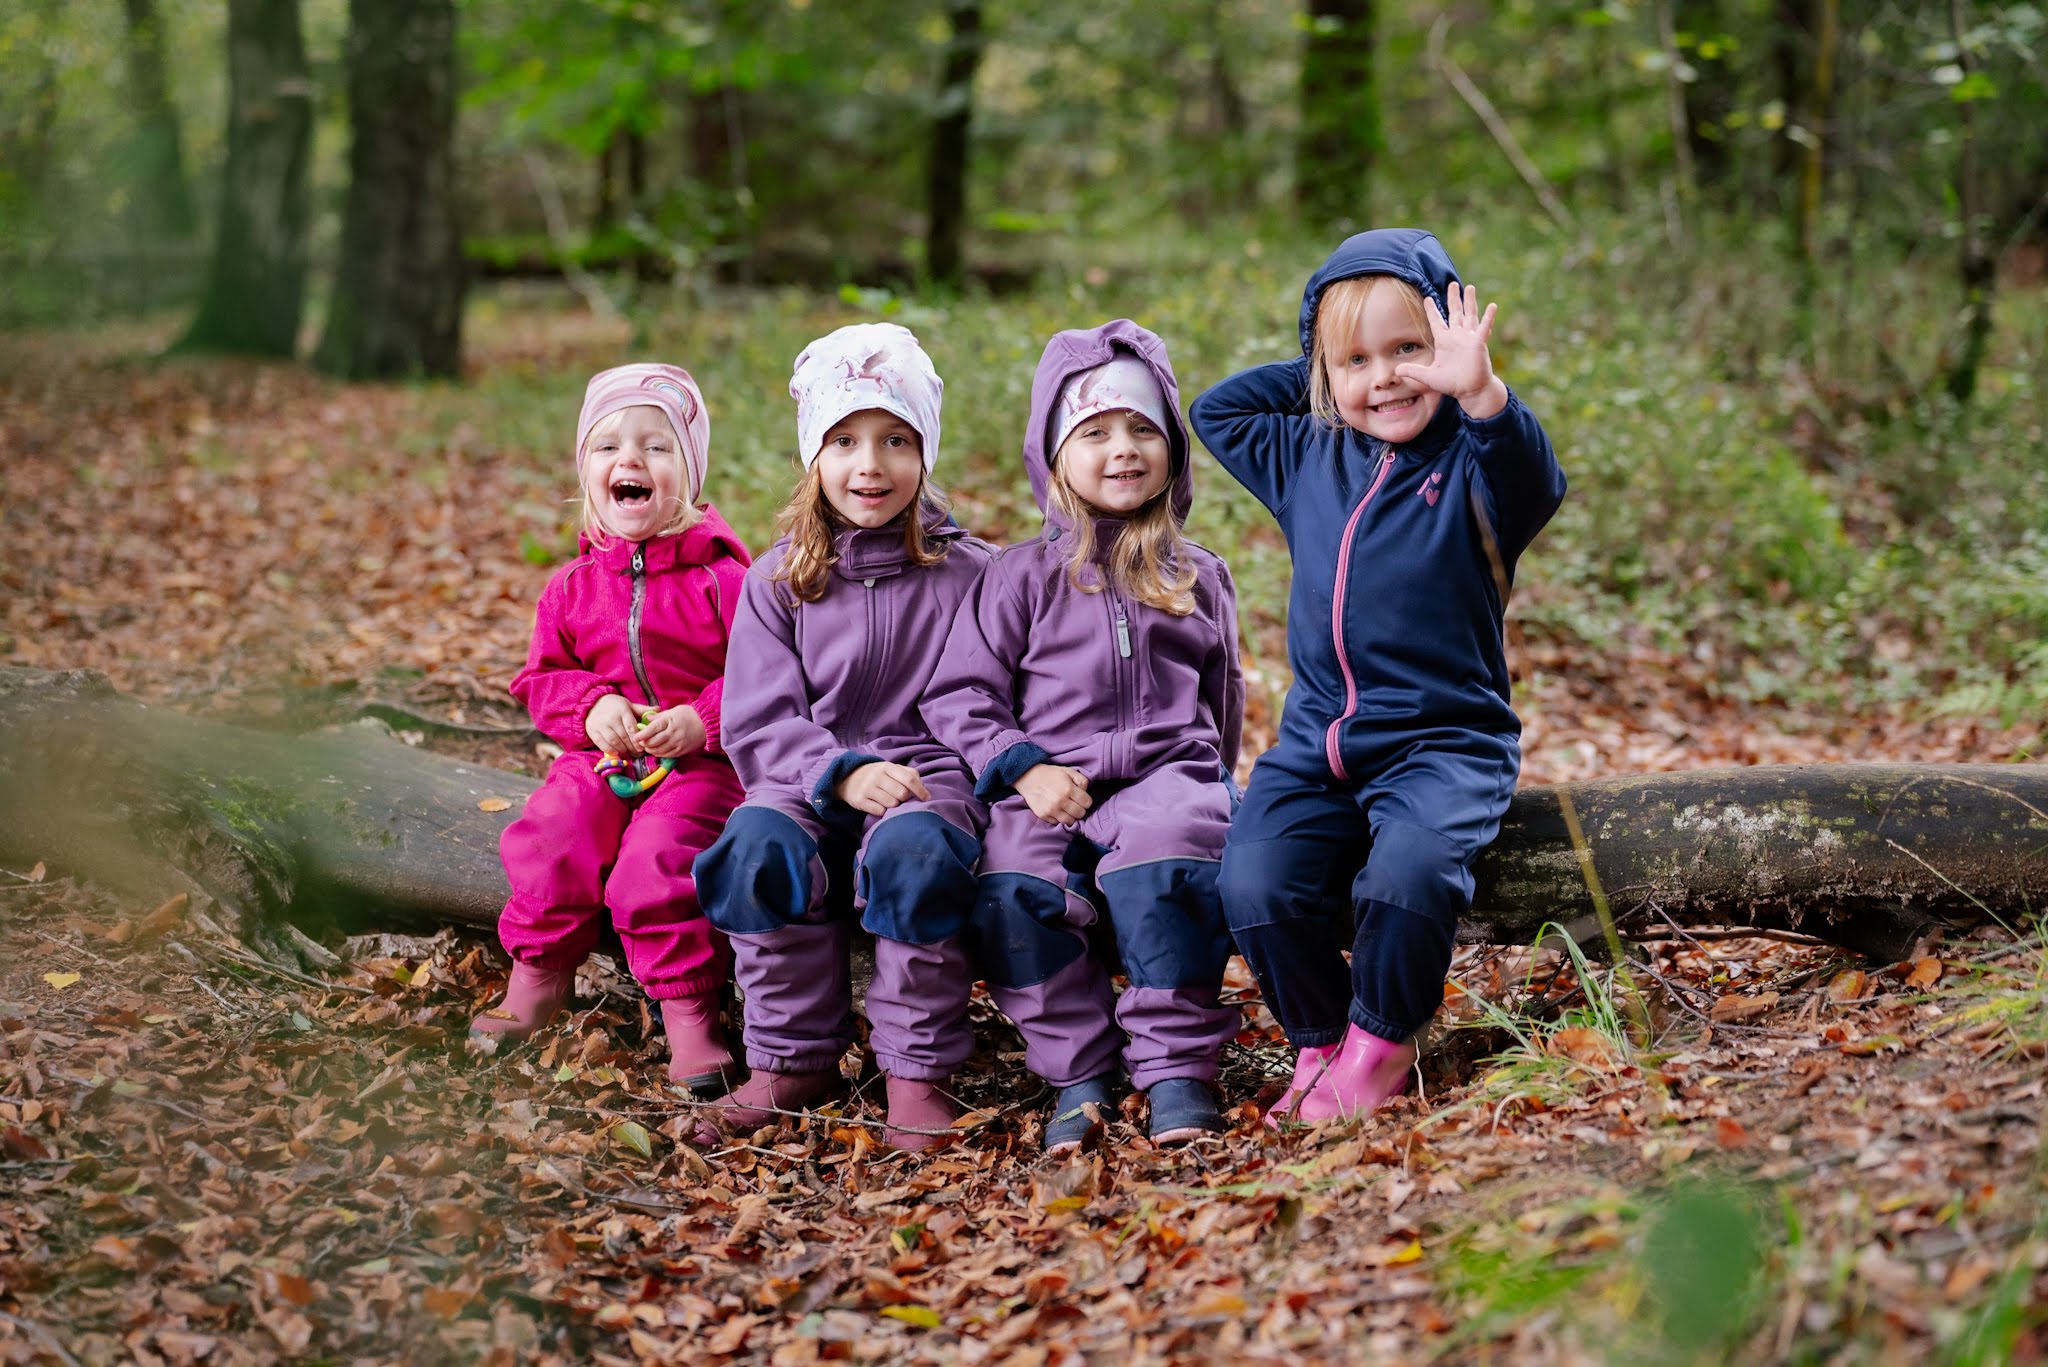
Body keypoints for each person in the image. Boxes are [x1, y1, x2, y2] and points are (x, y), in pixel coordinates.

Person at [1189, 228, 1567, 1125]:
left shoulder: (1477, 468)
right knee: (1252, 880)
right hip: (1319, 743)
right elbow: (1217, 411)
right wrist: (1330, 367)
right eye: (1357, 361)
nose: (1387, 377)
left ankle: (1383, 1041)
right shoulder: (1305, 456)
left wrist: (1475, 388)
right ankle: (1323, 1040)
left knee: (1407, 871)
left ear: (1447, 345)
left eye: (1409, 349)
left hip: (1446, 740)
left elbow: (1531, 472)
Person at [924, 320, 1243, 1151]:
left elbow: (1225, 697)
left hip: (1165, 776)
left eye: (1143, 428)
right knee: (1013, 894)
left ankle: (1175, 1066)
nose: (1123, 449)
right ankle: (1079, 1070)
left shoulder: (1198, 574)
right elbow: (960, 694)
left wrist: (1208, 784)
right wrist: (1022, 769)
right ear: (1053, 456)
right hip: (1047, 784)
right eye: (1094, 432)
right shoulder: (1019, 576)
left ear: (1173, 446)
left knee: (1172, 852)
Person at [693, 324, 993, 1150]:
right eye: (846, 440)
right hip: (806, 776)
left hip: (930, 780)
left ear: (925, 451)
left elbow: (988, 699)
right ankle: (792, 1057)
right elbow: (758, 717)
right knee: (755, 844)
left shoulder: (971, 575)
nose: (871, 465)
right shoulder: (779, 578)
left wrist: (921, 775)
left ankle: (914, 1069)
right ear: (813, 456)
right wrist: (840, 771)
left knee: (917, 855)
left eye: (897, 440)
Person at [473, 364, 752, 1097]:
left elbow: (769, 675)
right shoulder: (570, 586)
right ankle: (539, 971)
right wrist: (592, 704)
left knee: (658, 858)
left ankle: (689, 1008)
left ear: (687, 474)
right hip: (601, 756)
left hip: (700, 764)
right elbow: (541, 678)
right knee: (555, 830)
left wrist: (704, 720)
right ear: (586, 472)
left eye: (656, 447)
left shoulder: (724, 581)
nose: (629, 460)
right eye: (608, 448)